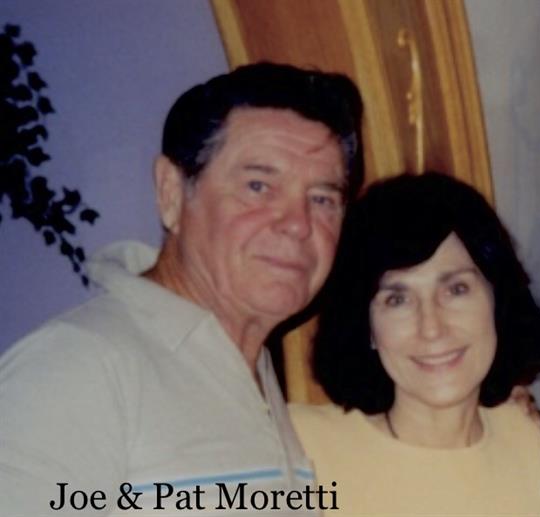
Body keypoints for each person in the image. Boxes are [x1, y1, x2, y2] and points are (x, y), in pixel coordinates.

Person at [0, 62, 364, 516]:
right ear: (171, 192)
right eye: (258, 186)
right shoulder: (75, 369)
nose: (297, 224)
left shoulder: (251, 369)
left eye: (322, 199)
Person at [291, 172, 540, 517]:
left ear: (497, 300)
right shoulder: (300, 446)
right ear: (367, 326)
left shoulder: (530, 444)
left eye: (456, 290)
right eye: (397, 300)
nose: (432, 328)